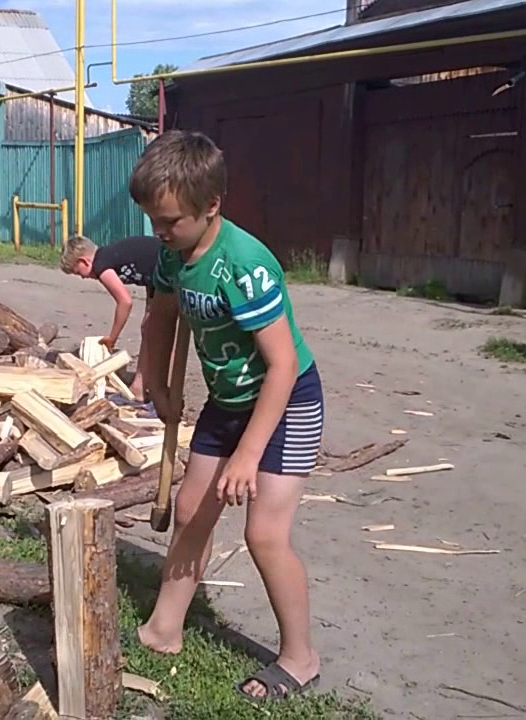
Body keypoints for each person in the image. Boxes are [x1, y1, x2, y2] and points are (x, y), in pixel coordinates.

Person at [130, 129, 324, 702]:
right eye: (153, 222)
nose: (160, 234)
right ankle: (165, 628)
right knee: (191, 511)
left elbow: (283, 365)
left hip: (285, 401)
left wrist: (246, 456)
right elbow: (160, 317)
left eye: (171, 222)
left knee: (263, 533)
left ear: (211, 206)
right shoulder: (172, 254)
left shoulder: (244, 265)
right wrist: (158, 380)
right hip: (230, 401)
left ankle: (300, 657)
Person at [59, 233, 161, 399]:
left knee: (162, 331)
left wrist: (112, 337)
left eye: (79, 273)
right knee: (149, 328)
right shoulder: (108, 256)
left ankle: (163, 392)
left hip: (167, 269)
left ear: (84, 261)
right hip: (155, 275)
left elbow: (125, 302)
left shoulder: (100, 264)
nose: (84, 278)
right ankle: (139, 387)